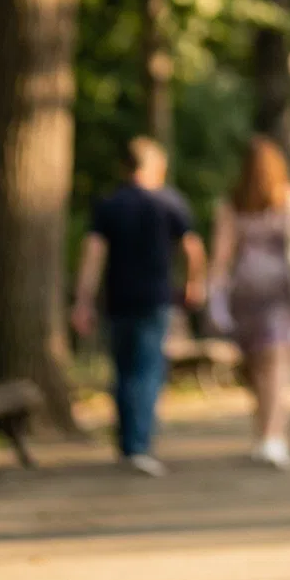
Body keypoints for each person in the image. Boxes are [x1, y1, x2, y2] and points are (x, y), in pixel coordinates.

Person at [71, 136, 205, 476]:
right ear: (154, 167)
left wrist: (83, 300)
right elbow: (192, 248)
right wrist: (194, 283)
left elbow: (93, 255)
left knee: (124, 373)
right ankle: (140, 445)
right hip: (155, 300)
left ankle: (127, 442)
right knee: (147, 372)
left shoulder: (109, 204)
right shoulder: (170, 203)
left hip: (118, 301)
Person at [208, 135, 290, 469]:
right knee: (277, 368)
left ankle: (263, 435)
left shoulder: (232, 203)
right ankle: (273, 437)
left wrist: (216, 297)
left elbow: (221, 257)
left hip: (245, 293)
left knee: (256, 368)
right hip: (282, 293)